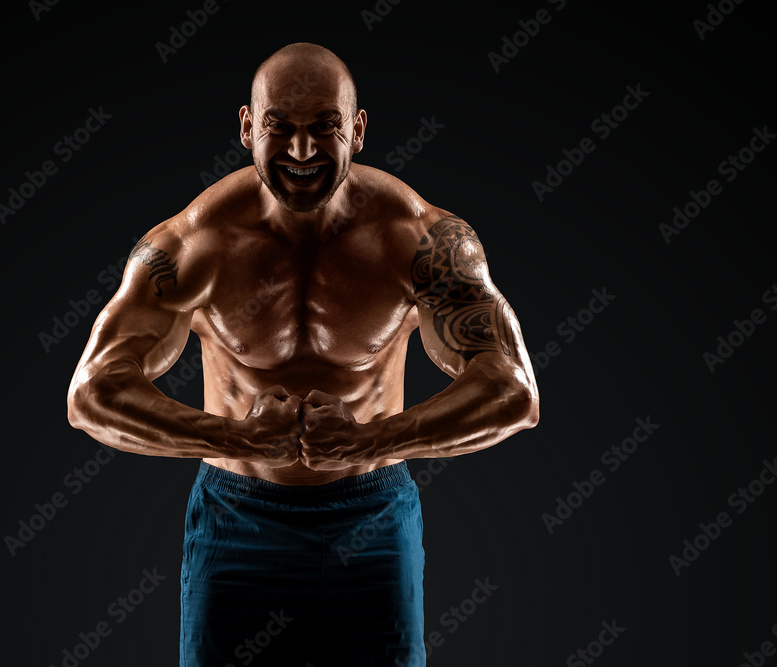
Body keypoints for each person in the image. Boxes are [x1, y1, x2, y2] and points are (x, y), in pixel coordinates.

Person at [67, 41, 539, 667]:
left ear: (359, 130)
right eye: (279, 129)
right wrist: (233, 439)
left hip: (371, 515)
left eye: (325, 128)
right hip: (237, 520)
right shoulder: (196, 242)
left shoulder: (416, 238)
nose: (301, 151)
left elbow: (513, 391)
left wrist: (374, 441)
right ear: (245, 128)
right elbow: (92, 395)